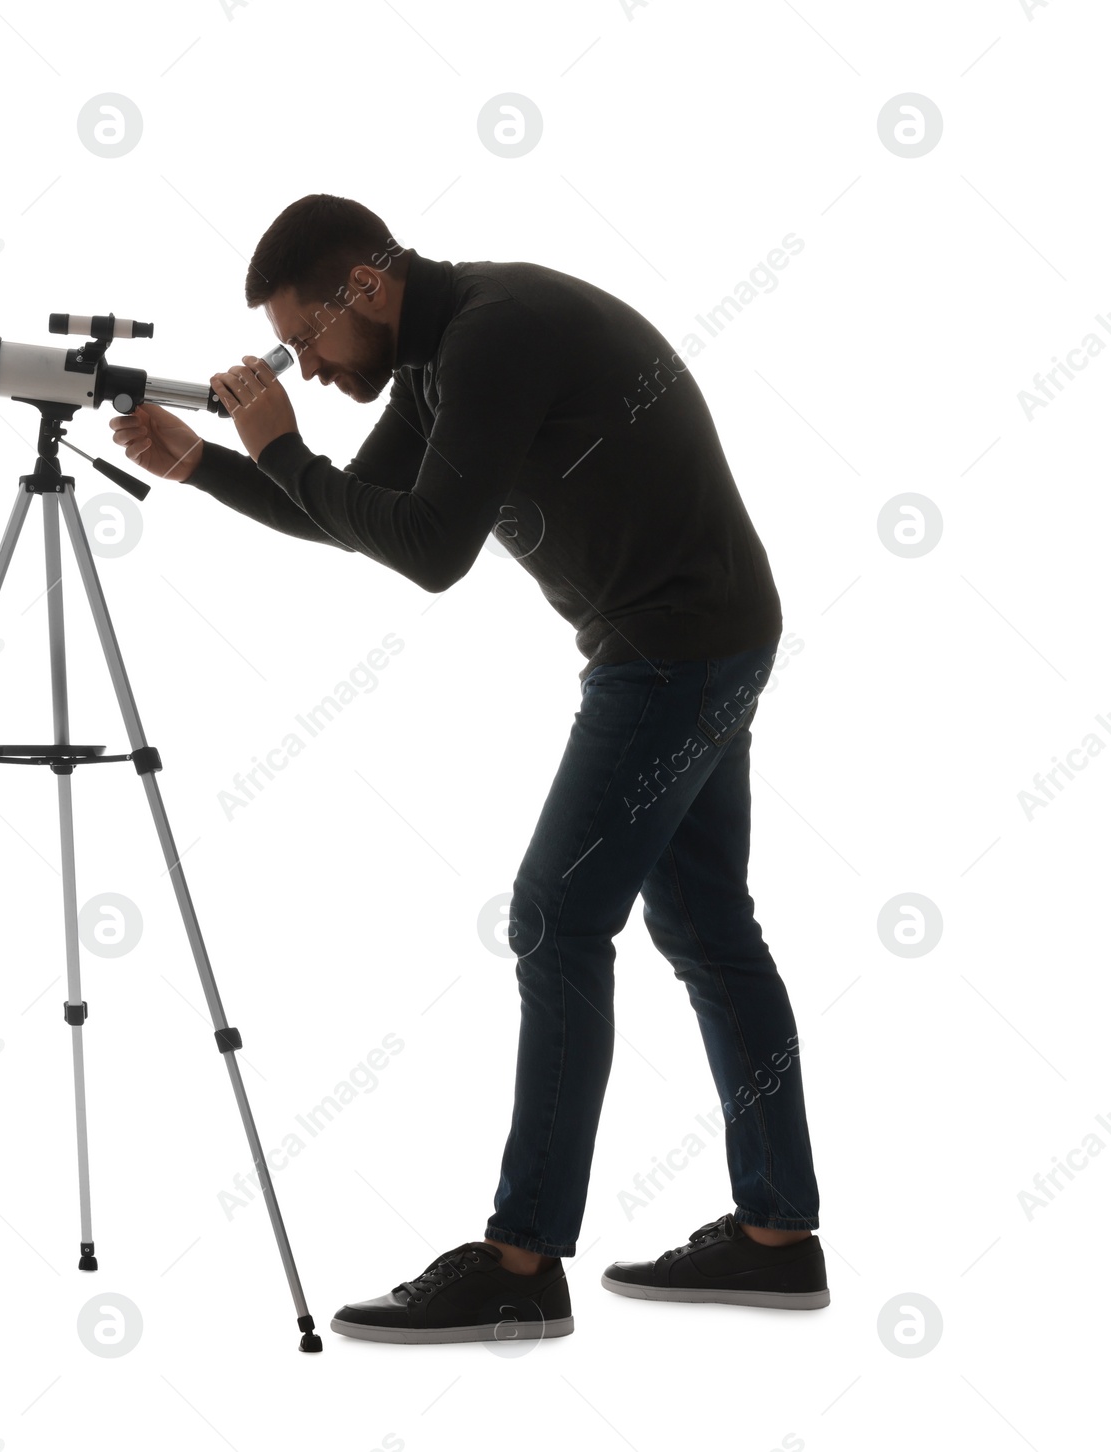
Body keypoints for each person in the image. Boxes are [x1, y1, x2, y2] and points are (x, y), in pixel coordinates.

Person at [108, 194, 825, 1345]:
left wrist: (279, 443)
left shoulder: (494, 332)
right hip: (700, 636)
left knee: (555, 920)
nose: (310, 364)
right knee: (703, 928)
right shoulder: (441, 348)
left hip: (673, 649)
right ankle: (777, 1240)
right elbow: (370, 517)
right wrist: (203, 466)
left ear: (365, 289)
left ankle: (520, 1261)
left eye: (308, 338)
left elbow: (433, 555)